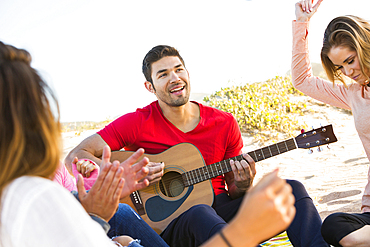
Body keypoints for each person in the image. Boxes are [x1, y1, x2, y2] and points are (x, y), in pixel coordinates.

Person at [66, 44, 327, 246]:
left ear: (188, 73)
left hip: (219, 211)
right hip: (169, 226)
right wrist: (116, 172)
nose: (175, 78)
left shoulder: (223, 123)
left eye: (179, 69)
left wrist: (243, 184)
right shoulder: (137, 122)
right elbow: (76, 156)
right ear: (150, 86)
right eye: (163, 74)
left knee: (292, 189)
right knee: (200, 213)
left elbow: (233, 191)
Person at [293, 1, 370, 246]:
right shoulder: (354, 94)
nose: (347, 71)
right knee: (335, 225)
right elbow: (303, 80)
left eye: (350, 60)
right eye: (340, 66)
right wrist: (302, 22)